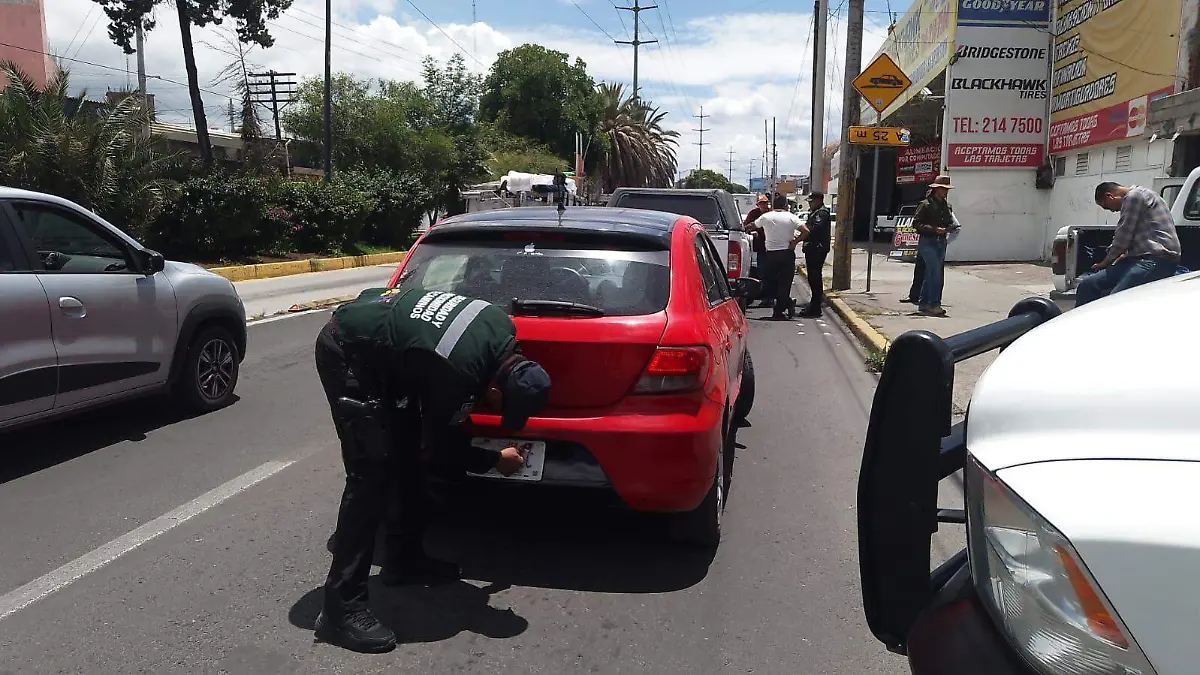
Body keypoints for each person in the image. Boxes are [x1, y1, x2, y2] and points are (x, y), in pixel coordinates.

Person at [313, 287, 551, 653]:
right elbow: (442, 449)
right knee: (370, 476)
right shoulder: (457, 369)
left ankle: (404, 561)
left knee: (407, 455)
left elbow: (426, 446)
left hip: (394, 356)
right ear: (496, 388)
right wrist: (495, 460)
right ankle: (340, 610)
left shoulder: (502, 328)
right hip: (349, 350)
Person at [1075, 182, 1182, 307]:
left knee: (1115, 300)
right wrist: (1123, 254)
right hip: (1138, 259)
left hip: (1157, 259)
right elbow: (1135, 235)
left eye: (1107, 207)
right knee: (1087, 285)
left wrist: (1105, 263)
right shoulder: (1145, 195)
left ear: (1110, 196)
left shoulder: (1133, 197)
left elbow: (1123, 237)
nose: (1113, 211)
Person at [755, 193, 807, 319]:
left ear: (773, 205)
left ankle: (779, 310)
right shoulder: (792, 217)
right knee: (784, 283)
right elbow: (806, 231)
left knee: (770, 284)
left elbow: (753, 225)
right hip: (787, 254)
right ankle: (785, 304)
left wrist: (743, 229)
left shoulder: (766, 216)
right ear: (785, 205)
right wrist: (794, 242)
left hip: (771, 255)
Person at [912, 175, 956, 317]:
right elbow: (916, 224)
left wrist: (948, 228)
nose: (945, 192)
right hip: (927, 241)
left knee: (932, 273)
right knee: (935, 272)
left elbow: (950, 222)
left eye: (946, 189)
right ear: (936, 189)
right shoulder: (925, 204)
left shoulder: (947, 206)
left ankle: (924, 303)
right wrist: (933, 229)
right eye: (943, 189)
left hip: (941, 241)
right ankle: (934, 304)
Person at [901, 206, 962, 305]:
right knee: (920, 270)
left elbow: (956, 227)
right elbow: (917, 223)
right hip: (925, 242)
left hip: (937, 244)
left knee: (933, 272)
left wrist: (946, 241)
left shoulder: (945, 209)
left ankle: (930, 301)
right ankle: (915, 296)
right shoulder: (926, 207)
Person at [798, 191, 832, 318]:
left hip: (817, 249)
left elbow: (812, 230)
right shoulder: (816, 213)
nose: (810, 204)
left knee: (815, 278)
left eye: (812, 201)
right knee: (813, 278)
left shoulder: (821, 214)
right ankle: (814, 305)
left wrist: (800, 232)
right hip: (813, 249)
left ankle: (815, 307)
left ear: (818, 200)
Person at [743, 194, 774, 307]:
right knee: (762, 272)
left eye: (765, 203)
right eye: (761, 204)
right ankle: (765, 296)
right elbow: (745, 226)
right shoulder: (753, 214)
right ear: (758, 205)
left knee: (771, 272)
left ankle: (770, 297)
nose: (763, 206)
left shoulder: (771, 214)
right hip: (760, 247)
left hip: (772, 247)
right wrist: (752, 232)